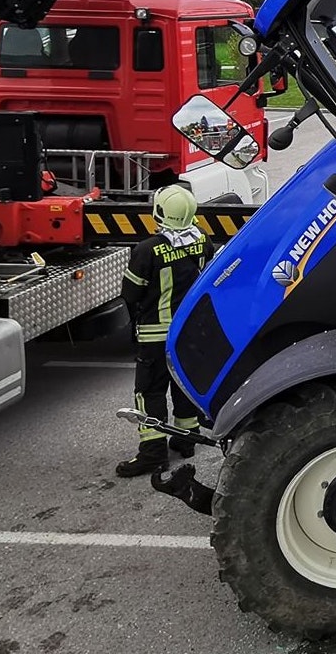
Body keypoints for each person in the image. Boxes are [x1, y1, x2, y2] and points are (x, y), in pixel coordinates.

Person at [116, 185, 212, 477]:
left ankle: (153, 453)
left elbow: (131, 294)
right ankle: (186, 439)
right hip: (188, 332)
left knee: (150, 391)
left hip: (155, 335)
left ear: (159, 213)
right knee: (183, 384)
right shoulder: (203, 241)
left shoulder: (146, 250)